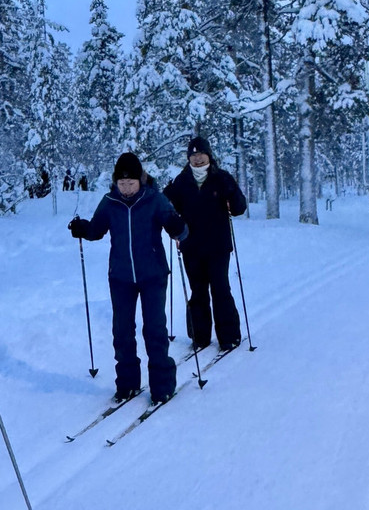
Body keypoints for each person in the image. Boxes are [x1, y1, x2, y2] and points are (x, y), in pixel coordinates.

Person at [68, 152, 187, 405]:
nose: (126, 188)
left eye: (131, 183)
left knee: (154, 329)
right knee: (122, 331)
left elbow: (179, 229)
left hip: (153, 274)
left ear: (140, 180)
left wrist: (178, 227)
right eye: (122, 183)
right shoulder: (110, 202)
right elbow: (96, 230)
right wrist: (82, 228)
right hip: (121, 276)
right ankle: (127, 384)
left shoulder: (154, 199)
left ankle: (162, 386)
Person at [163, 136, 248, 352]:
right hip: (191, 246)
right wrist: (172, 222)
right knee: (197, 291)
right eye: (193, 155)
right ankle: (200, 336)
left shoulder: (221, 178)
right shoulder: (181, 181)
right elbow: (167, 209)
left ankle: (229, 336)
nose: (198, 158)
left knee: (220, 289)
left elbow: (239, 209)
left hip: (218, 246)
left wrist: (232, 192)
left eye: (201, 154)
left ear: (209, 155)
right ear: (188, 158)